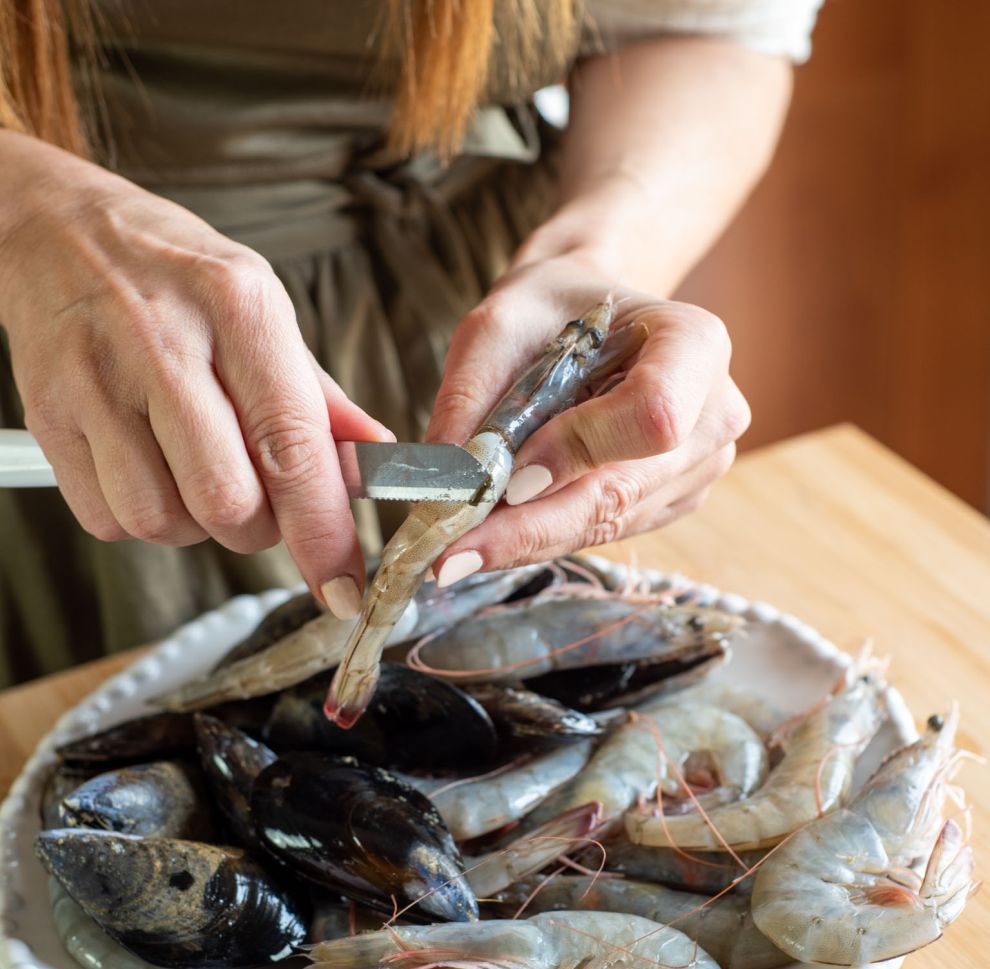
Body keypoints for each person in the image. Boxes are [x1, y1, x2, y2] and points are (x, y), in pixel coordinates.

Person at [0, 0, 822, 688]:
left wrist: (600, 252)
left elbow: (698, 25)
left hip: (479, 303)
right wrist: (32, 216)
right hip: (62, 337)